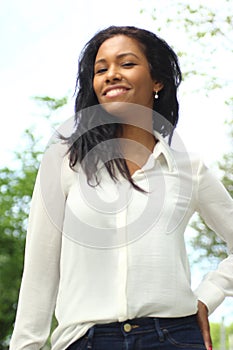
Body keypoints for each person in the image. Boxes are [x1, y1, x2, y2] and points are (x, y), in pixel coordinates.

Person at [10, 25, 233, 350]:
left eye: (126, 64)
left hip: (173, 337)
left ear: (157, 80)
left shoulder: (189, 167)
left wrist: (207, 298)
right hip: (85, 341)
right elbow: (40, 269)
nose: (111, 74)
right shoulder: (65, 159)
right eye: (101, 69)